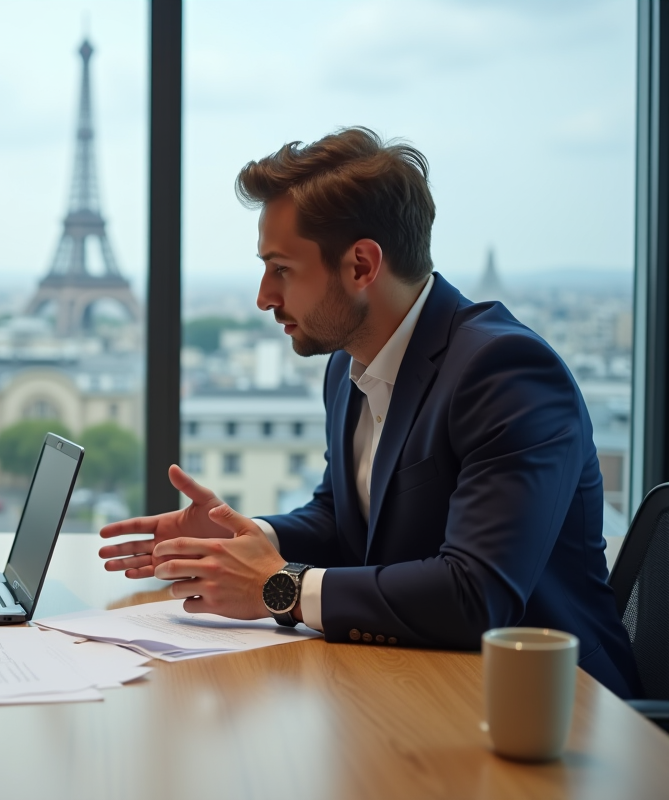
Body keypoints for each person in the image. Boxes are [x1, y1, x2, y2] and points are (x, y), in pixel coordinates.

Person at [99, 127, 639, 698]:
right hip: (418, 685)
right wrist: (247, 535)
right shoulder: (348, 363)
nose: (264, 296)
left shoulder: (505, 371)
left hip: (555, 710)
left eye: (281, 268)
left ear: (361, 266)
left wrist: (280, 586)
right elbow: (343, 521)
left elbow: (477, 594)